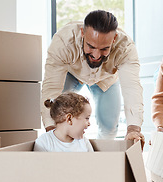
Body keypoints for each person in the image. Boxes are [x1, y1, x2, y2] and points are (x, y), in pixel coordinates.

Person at [41, 10, 144, 144]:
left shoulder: (126, 48)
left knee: (109, 128)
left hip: (106, 79)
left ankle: (101, 161)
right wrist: (52, 133)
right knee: (58, 120)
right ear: (83, 33)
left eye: (104, 49)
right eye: (91, 46)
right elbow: (51, 89)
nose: (96, 55)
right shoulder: (63, 41)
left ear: (114, 39)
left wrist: (133, 129)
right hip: (71, 73)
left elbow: (132, 88)